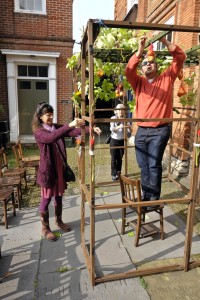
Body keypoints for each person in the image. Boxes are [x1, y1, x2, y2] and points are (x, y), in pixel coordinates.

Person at [125, 33, 186, 207]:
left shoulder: (167, 78)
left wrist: (164, 41)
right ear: (142, 68)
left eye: (151, 62)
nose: (147, 65)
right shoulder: (138, 83)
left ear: (156, 66)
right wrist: (140, 51)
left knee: (153, 164)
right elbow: (129, 70)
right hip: (142, 131)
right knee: (143, 165)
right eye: (144, 63)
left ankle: (154, 198)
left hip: (160, 130)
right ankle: (147, 195)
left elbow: (180, 57)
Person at [32, 102, 101, 241]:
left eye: (52, 114)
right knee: (46, 198)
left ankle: (59, 221)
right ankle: (45, 228)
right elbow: (51, 137)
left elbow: (73, 132)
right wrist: (69, 124)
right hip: (48, 170)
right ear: (40, 117)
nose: (51, 117)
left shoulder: (55, 127)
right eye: (47, 114)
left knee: (58, 195)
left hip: (59, 167)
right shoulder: (39, 131)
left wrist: (91, 129)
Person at [110, 103, 131, 181]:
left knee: (120, 158)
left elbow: (129, 132)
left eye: (122, 110)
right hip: (114, 141)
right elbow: (111, 129)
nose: (121, 112)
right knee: (113, 158)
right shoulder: (113, 118)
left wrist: (129, 127)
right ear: (116, 111)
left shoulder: (125, 119)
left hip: (122, 141)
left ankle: (119, 173)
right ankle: (113, 174)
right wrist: (119, 126)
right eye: (119, 110)